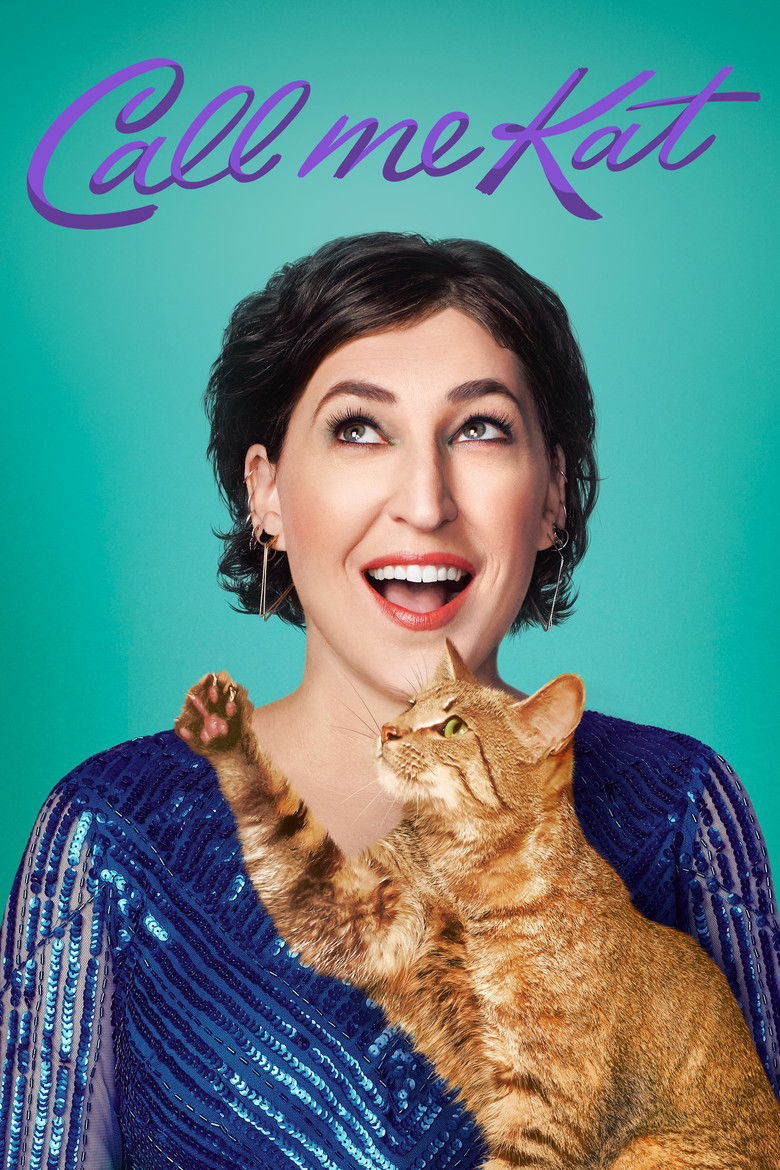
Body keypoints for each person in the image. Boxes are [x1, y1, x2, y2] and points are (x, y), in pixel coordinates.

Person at [1, 232, 778, 1169]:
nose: (425, 500)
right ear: (266, 491)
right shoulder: (110, 833)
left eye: (481, 428)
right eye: (359, 428)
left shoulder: (681, 807)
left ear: (552, 497)